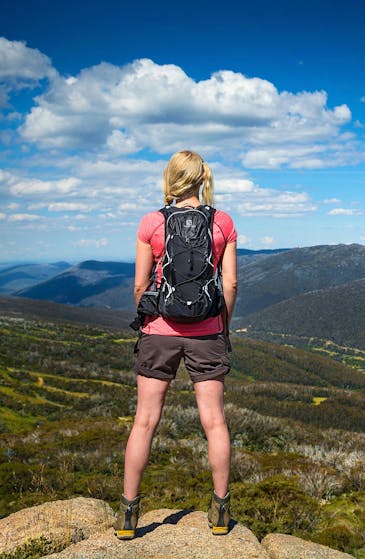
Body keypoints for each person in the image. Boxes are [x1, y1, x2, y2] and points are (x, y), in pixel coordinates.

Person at [115, 150, 238, 540]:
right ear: (202, 179)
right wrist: (222, 325)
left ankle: (128, 516)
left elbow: (139, 285)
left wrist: (147, 321)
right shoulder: (223, 221)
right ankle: (220, 511)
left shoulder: (151, 221)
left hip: (158, 333)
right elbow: (231, 284)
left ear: (171, 178)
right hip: (207, 334)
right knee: (214, 421)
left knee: (145, 422)